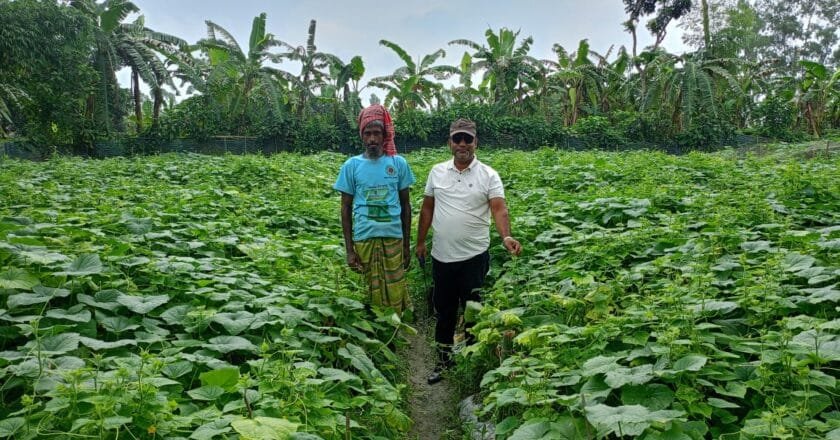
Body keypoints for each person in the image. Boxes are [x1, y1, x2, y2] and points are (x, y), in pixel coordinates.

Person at [415, 118, 522, 384]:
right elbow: (427, 208)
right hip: (442, 256)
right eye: (457, 139)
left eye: (468, 139)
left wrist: (506, 235)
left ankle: (473, 362)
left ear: (476, 143)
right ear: (449, 143)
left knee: (473, 310)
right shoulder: (436, 172)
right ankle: (443, 361)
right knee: (445, 311)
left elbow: (499, 208)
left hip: (475, 257)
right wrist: (419, 242)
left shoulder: (488, 174)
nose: (462, 144)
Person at [334, 104, 415, 314]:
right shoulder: (351, 166)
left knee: (395, 285)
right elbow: (345, 208)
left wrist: (407, 245)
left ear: (384, 135)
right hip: (364, 239)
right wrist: (349, 250)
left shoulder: (398, 163)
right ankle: (372, 333)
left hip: (393, 238)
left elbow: (406, 205)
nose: (372, 139)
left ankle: (395, 332)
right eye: (368, 133)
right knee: (367, 289)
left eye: (376, 133)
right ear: (362, 136)